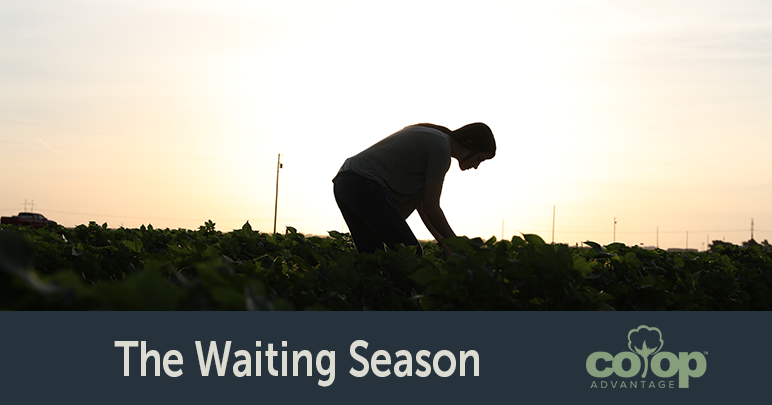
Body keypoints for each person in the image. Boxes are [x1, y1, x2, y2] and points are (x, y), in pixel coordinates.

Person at [332, 122, 496, 256]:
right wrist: (459, 245)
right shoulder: (441, 148)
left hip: (345, 183)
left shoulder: (434, 139)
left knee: (373, 258)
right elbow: (432, 208)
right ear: (469, 145)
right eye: (479, 158)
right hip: (363, 184)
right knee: (410, 253)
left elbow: (424, 206)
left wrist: (445, 243)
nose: (476, 166)